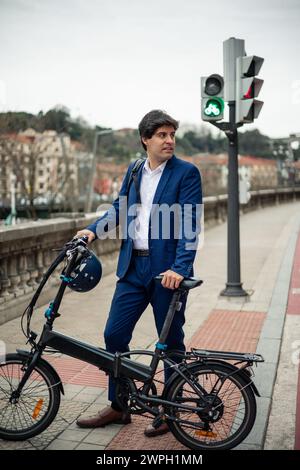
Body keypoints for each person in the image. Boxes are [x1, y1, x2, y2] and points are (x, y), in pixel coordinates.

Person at [75, 110, 202, 437]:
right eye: (162, 135)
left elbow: (189, 224)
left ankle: (169, 409)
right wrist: (91, 232)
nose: (169, 140)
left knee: (171, 342)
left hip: (167, 272)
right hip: (133, 267)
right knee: (114, 336)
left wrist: (180, 267)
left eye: (172, 134)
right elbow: (119, 210)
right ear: (146, 139)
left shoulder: (186, 173)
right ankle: (121, 405)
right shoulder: (134, 171)